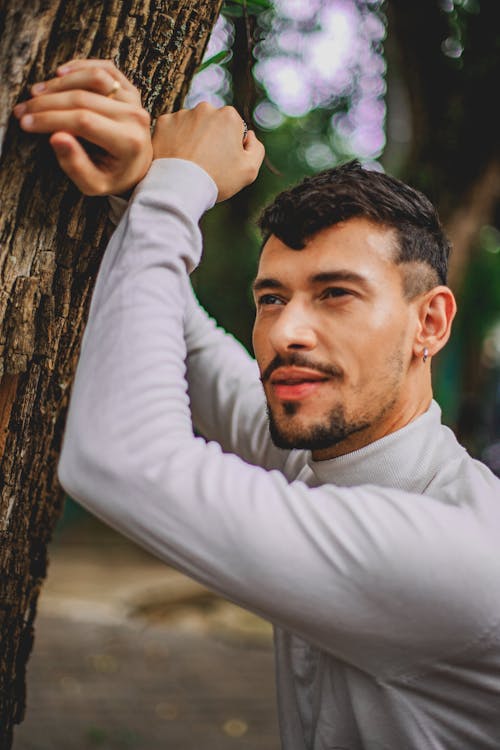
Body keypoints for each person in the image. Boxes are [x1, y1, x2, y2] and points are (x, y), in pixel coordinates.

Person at [15, 61, 500, 749]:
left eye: (336, 293)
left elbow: (117, 460)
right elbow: (196, 351)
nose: (285, 332)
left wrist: (179, 186)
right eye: (271, 298)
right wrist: (140, 192)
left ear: (430, 324)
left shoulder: (455, 555)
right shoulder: (333, 452)